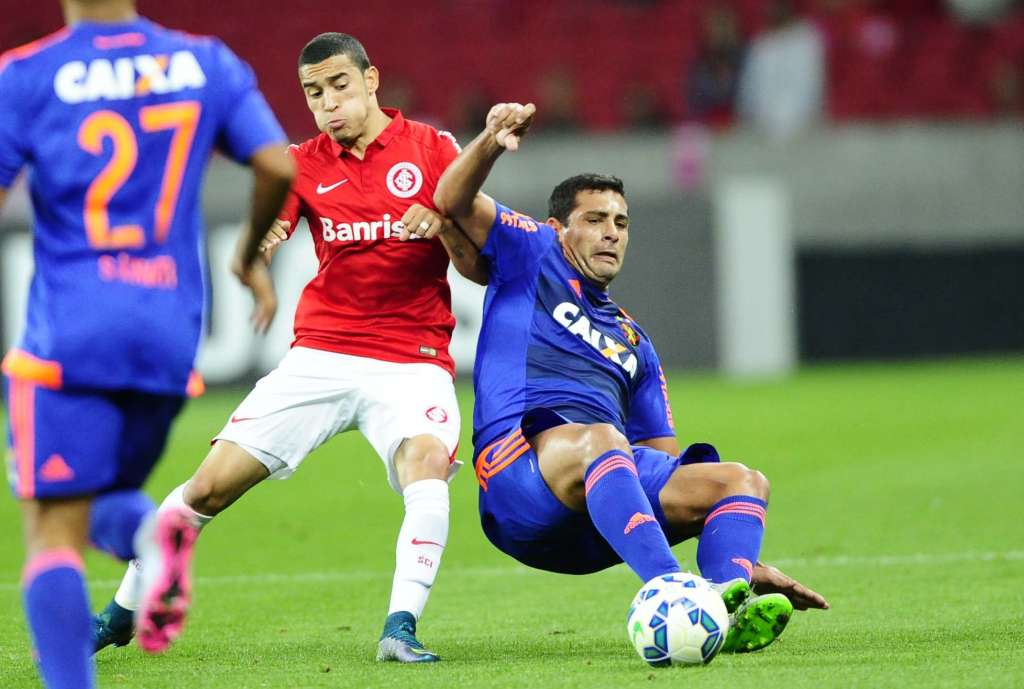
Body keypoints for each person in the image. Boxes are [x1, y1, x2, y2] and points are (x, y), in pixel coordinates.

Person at [91, 31, 487, 664]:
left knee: (427, 466)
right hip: (322, 356)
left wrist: (442, 220)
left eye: (339, 85)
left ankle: (400, 627)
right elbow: (272, 228)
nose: (328, 102)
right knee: (207, 489)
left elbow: (480, 251)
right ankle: (120, 612)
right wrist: (258, 256)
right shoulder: (304, 163)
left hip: (412, 361)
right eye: (313, 92)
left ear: (371, 79)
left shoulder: (434, 149)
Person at [430, 102, 829, 653]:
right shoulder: (533, 254)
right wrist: (492, 141)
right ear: (558, 228)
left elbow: (658, 467)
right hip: (519, 485)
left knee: (741, 481)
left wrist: (736, 551)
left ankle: (721, 602)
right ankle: (675, 591)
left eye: (620, 223)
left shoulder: (635, 344)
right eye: (594, 220)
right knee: (601, 438)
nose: (611, 233)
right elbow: (449, 200)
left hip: (596, 517)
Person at [0, 0, 294, 686]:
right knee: (101, 492)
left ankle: (138, 551)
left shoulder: (26, 74)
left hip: (69, 328)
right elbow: (278, 165)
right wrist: (250, 253)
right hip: (168, 328)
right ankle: (148, 534)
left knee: (51, 530)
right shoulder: (205, 60)